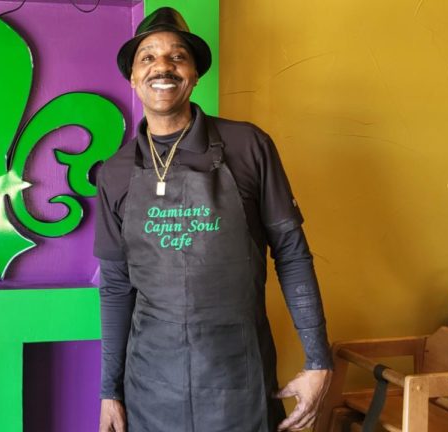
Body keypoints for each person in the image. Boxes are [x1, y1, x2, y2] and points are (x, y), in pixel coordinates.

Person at [95, 7, 333, 432]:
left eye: (177, 56)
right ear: (132, 77)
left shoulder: (248, 145)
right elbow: (115, 286)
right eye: (147, 57)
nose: (162, 66)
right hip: (150, 387)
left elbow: (292, 255)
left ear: (195, 74)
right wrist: (109, 392)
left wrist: (318, 360)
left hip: (239, 379)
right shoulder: (114, 172)